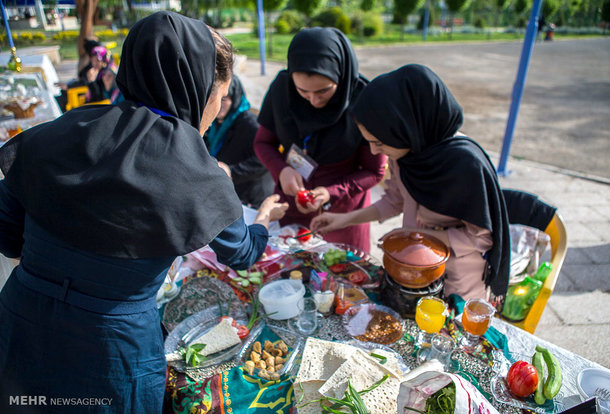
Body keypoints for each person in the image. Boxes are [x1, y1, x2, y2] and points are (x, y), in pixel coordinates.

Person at [0, 11, 287, 413]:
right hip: (110, 348)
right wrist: (263, 220)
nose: (219, 106)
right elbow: (241, 252)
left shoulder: (63, 128)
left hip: (21, 319)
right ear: (196, 89)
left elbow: (8, 231)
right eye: (218, 96)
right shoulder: (194, 168)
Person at [311, 64, 511, 300]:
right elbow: (395, 200)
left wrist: (413, 235)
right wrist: (344, 219)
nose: (375, 152)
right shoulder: (407, 152)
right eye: (369, 142)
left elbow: (482, 238)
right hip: (412, 268)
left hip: (456, 278)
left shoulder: (465, 165)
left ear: (406, 129)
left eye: (379, 143)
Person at [254, 27, 386, 252]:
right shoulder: (282, 90)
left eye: (323, 91)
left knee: (343, 275)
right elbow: (262, 142)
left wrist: (331, 192)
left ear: (341, 78)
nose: (313, 101)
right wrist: (281, 170)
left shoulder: (364, 100)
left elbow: (375, 171)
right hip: (292, 205)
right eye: (303, 92)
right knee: (293, 270)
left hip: (342, 214)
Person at [205, 74, 273, 207]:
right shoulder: (216, 122)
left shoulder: (251, 124)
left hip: (253, 197)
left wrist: (232, 171)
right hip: (232, 192)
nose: (219, 104)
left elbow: (264, 159)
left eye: (224, 99)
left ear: (235, 97)